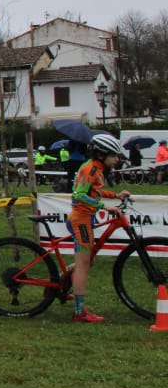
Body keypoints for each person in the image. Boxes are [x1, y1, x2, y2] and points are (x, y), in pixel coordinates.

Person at [67, 133, 132, 322]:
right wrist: (105, 206)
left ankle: (61, 282)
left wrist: (115, 195)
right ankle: (79, 312)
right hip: (81, 219)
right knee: (83, 265)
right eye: (114, 155)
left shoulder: (95, 167)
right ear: (102, 154)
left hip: (85, 218)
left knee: (87, 261)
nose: (117, 159)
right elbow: (80, 194)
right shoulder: (92, 169)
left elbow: (94, 191)